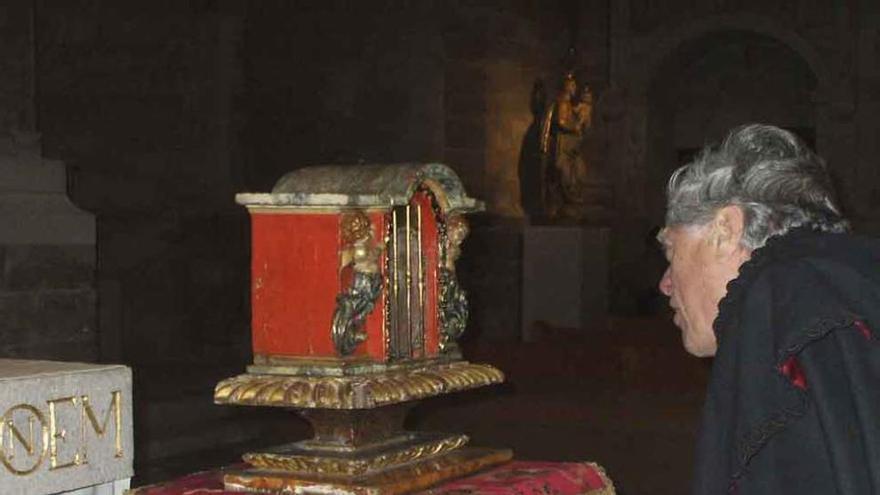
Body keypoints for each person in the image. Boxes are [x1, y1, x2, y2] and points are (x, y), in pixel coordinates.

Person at [657, 124, 880, 494]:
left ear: (725, 229)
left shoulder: (771, 300)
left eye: (671, 251)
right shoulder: (851, 279)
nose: (665, 282)